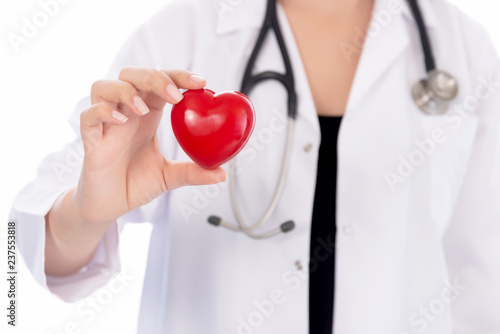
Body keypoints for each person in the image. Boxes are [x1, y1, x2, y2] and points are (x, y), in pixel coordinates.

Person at [10, 0, 500, 333]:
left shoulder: (464, 47)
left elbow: (480, 270)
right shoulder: (179, 35)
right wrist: (86, 213)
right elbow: (27, 243)